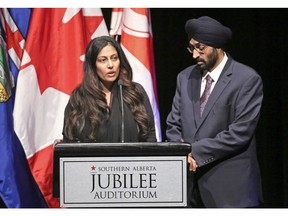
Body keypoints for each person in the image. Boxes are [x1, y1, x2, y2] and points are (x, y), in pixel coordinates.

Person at [166, 16, 263, 208]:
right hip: (190, 189)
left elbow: (239, 132)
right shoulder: (185, 78)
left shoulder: (247, 79)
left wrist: (195, 152)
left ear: (217, 46)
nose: (194, 55)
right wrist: (181, 154)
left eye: (199, 48)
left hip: (231, 191)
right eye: (191, 48)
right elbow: (173, 124)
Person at [62, 36, 156, 143]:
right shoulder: (79, 97)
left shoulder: (136, 92)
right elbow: (69, 139)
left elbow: (150, 136)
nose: (111, 65)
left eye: (114, 58)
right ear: (93, 65)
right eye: (103, 60)